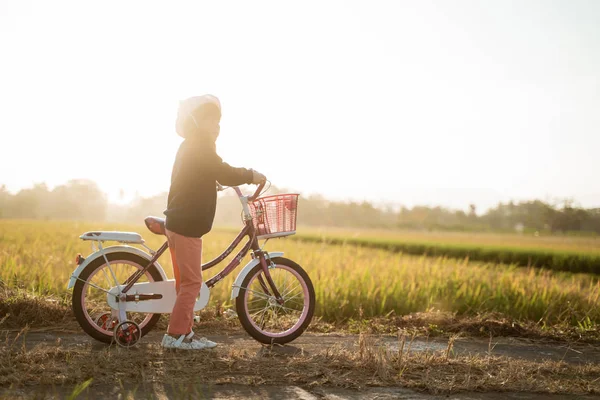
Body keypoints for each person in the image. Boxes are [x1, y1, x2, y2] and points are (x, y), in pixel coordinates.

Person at [161, 94, 266, 350]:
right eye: (211, 120)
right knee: (192, 284)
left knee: (185, 283)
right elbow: (223, 170)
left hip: (180, 221)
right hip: (187, 224)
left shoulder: (191, 146)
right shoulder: (200, 145)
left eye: (218, 121)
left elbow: (201, 173)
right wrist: (251, 174)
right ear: (197, 121)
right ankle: (175, 336)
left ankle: (185, 333)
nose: (216, 125)